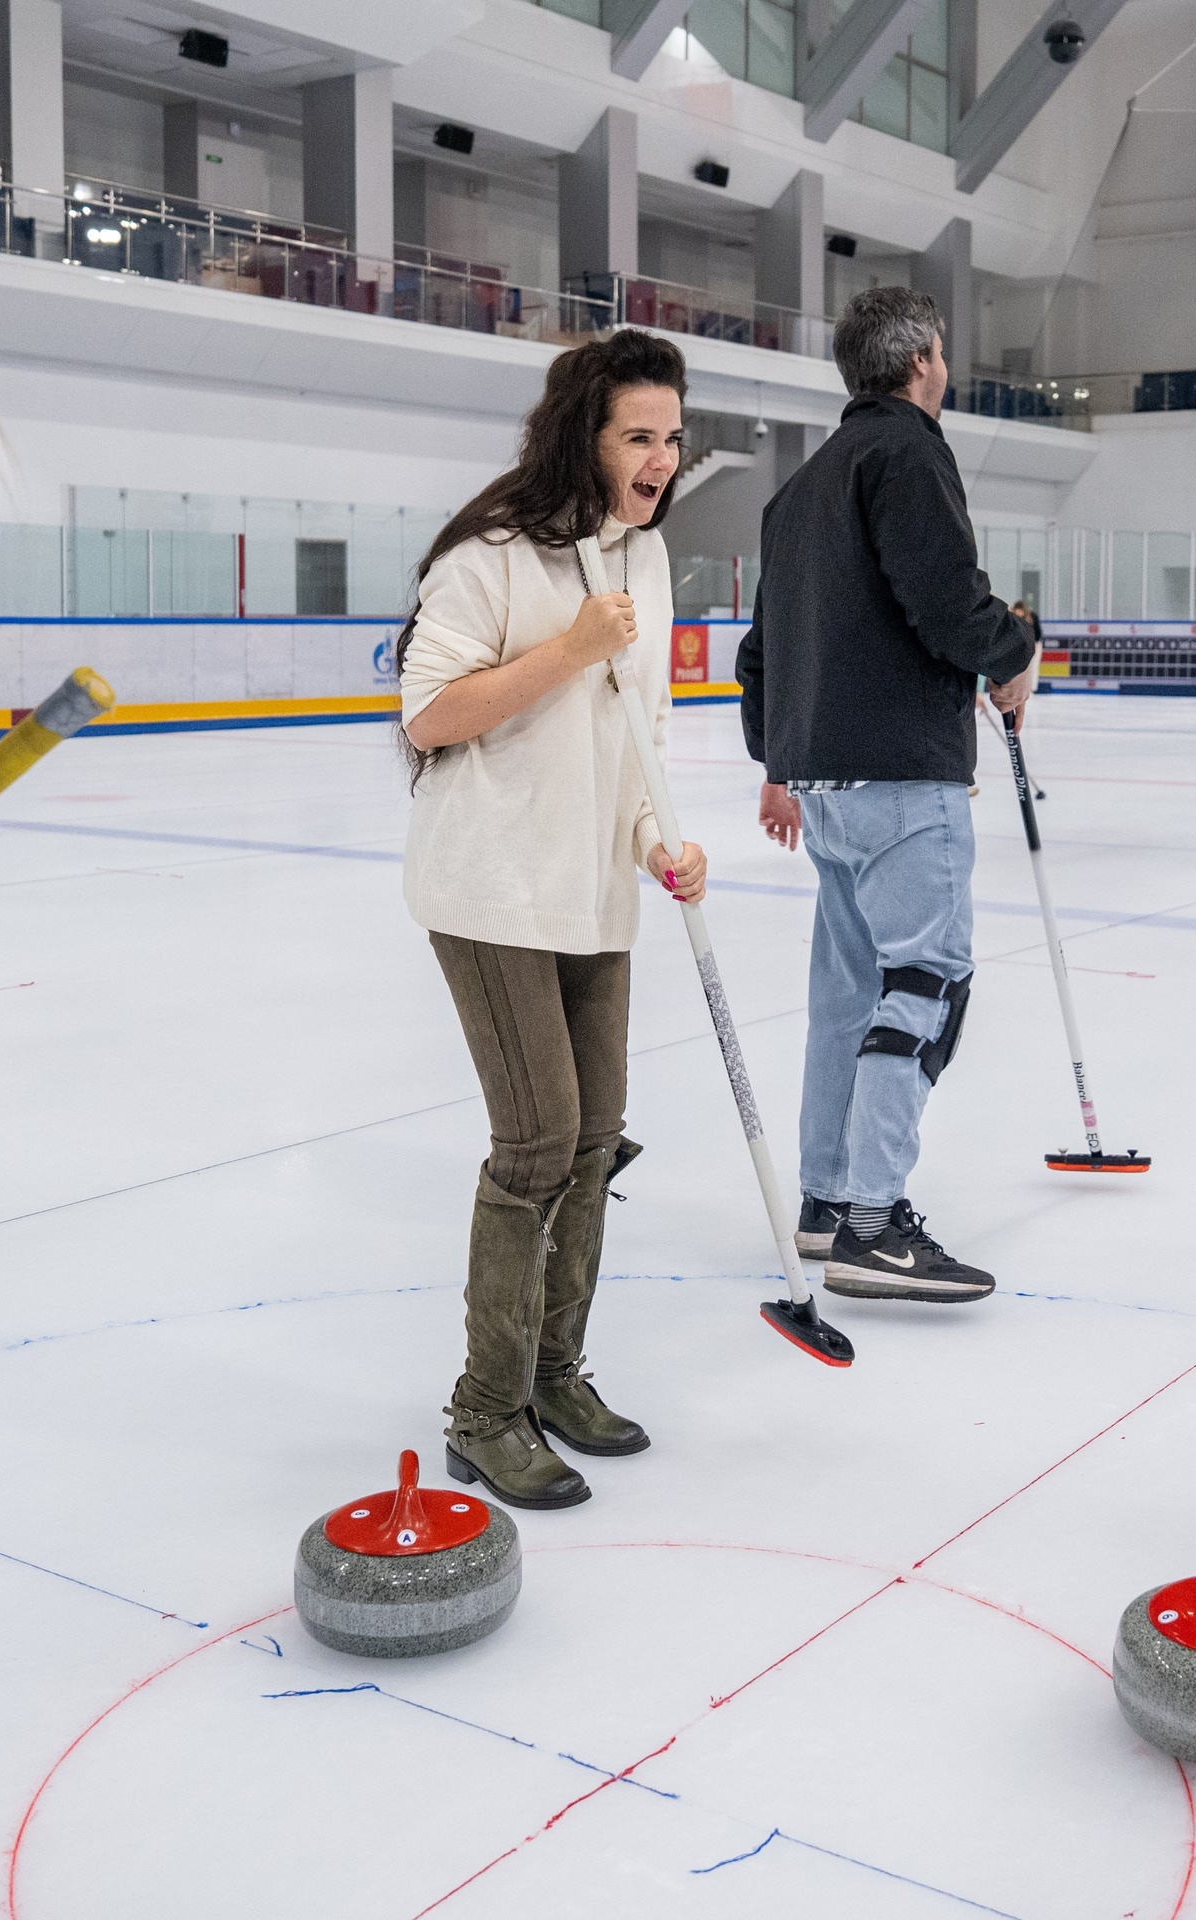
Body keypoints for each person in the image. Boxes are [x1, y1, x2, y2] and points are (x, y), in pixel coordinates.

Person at [398, 329, 695, 1512]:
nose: (662, 458)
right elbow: (429, 714)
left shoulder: (645, 557)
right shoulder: (490, 556)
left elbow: (640, 731)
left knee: (592, 1137)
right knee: (537, 1142)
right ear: (584, 435)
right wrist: (570, 649)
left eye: (672, 437)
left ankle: (554, 1377)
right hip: (491, 887)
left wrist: (659, 840)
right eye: (639, 436)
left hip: (593, 892)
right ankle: (486, 1413)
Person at [737, 285, 1037, 1302]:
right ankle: (873, 1223)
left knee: (849, 994)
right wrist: (1012, 653)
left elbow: (760, 651)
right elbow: (946, 603)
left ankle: (826, 1201)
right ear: (919, 362)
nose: (944, 368)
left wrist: (779, 759)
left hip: (826, 782)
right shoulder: (906, 452)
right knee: (925, 984)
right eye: (941, 354)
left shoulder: (801, 486)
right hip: (903, 778)